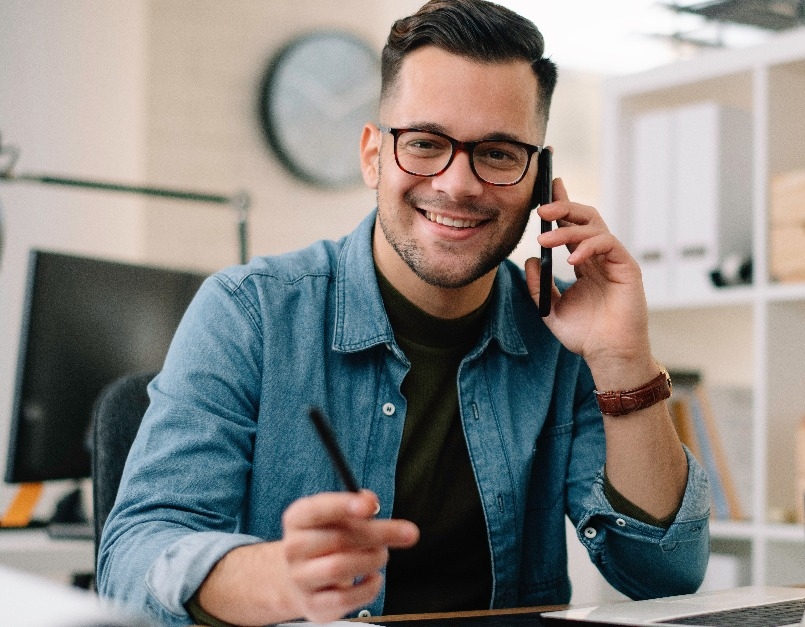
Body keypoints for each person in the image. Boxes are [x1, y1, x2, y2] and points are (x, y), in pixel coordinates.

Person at [96, 1, 711, 625]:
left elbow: (664, 573)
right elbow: (129, 561)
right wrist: (279, 579)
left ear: (540, 178)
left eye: (498, 153)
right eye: (424, 143)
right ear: (373, 156)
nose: (457, 183)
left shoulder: (563, 334)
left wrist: (623, 360)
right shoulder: (249, 314)